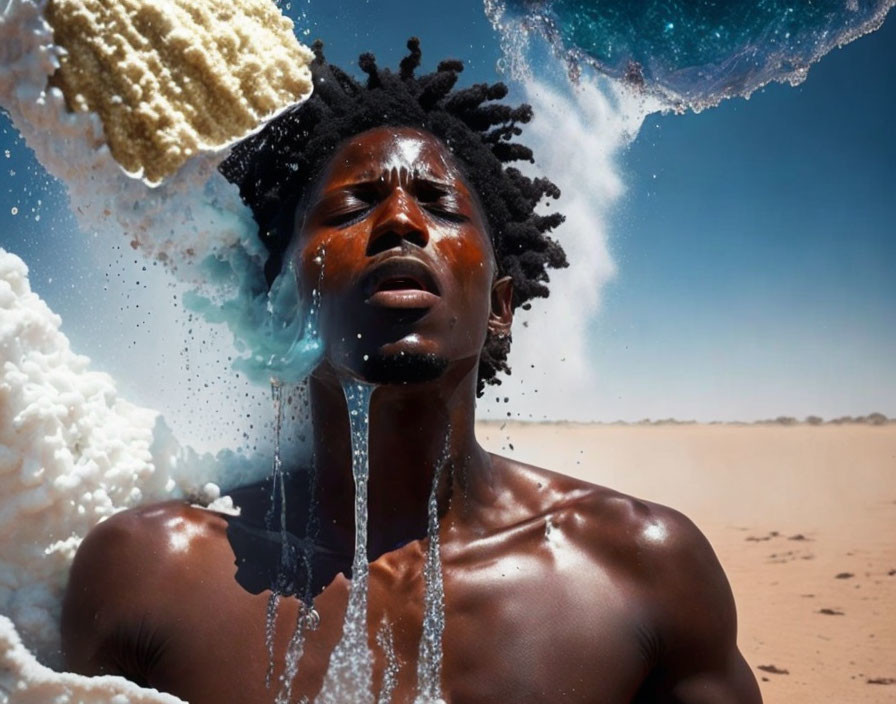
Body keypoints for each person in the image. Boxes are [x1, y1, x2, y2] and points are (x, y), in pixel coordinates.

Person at [61, 40, 762, 704]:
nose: (400, 219)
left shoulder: (642, 568)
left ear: (501, 307)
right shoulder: (150, 574)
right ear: (279, 304)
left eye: (440, 204)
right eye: (354, 206)